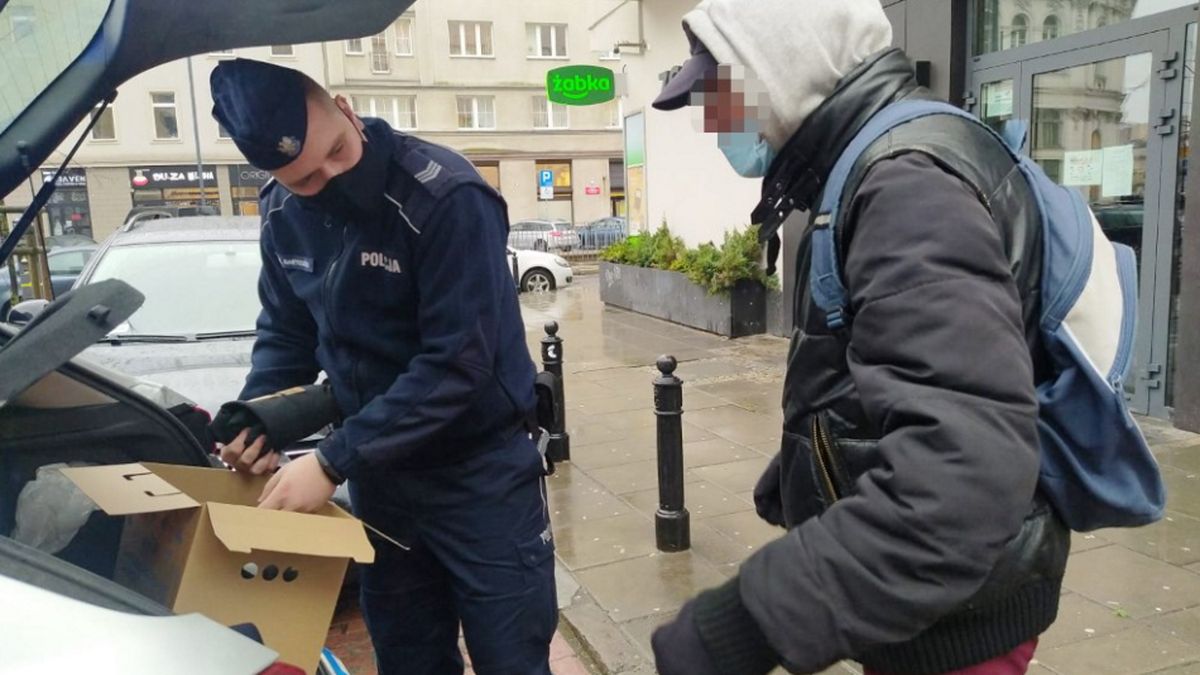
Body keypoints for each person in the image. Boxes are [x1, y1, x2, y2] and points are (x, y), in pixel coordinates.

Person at [648, 1, 1069, 674]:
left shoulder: (904, 187)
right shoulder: (865, 167)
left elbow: (959, 476)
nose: (709, 121)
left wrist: (745, 622)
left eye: (716, 94)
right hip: (920, 602)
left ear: (782, 67)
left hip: (955, 623)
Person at [208, 58, 556, 675]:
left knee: (512, 659)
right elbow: (286, 331)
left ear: (344, 107)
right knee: (409, 659)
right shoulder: (283, 213)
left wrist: (332, 460)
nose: (331, 178)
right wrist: (259, 419)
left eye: (338, 153)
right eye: (306, 179)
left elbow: (456, 363)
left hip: (479, 477)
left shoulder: (445, 197)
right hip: (385, 485)